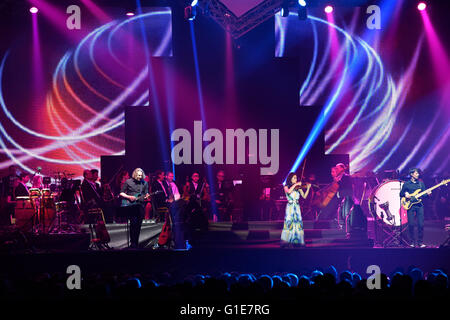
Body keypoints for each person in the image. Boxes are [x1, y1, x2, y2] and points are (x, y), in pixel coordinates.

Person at [400, 168, 431, 248]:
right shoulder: (406, 184)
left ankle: (420, 242)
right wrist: (405, 194)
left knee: (420, 224)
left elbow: (423, 195)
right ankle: (412, 242)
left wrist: (427, 194)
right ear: (411, 174)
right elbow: (401, 194)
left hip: (419, 206)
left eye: (418, 173)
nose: (418, 174)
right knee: (411, 224)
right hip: (410, 205)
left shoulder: (421, 184)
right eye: (416, 173)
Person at [119, 168, 149, 248]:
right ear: (135, 175)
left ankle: (136, 242)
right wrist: (129, 197)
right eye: (138, 175)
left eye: (141, 175)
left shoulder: (145, 183)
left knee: (138, 225)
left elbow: (146, 194)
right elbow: (121, 193)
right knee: (133, 224)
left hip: (140, 206)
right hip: (131, 206)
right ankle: (132, 243)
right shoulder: (128, 182)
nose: (140, 177)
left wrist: (147, 196)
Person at [281, 172, 311, 247]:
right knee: (289, 223)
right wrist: (295, 184)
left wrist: (308, 188)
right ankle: (287, 240)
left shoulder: (298, 188)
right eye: (294, 178)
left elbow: (304, 196)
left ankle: (297, 240)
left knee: (297, 223)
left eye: (296, 178)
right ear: (290, 179)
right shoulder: (286, 186)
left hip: (297, 207)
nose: (296, 179)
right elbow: (288, 192)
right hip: (290, 207)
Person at [331, 163, 354, 231]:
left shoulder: (346, 176)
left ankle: (345, 227)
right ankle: (340, 225)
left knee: (344, 212)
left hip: (345, 197)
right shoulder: (338, 177)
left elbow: (346, 187)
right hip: (339, 196)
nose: (336, 170)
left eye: (337, 168)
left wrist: (337, 182)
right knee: (338, 211)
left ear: (342, 169)